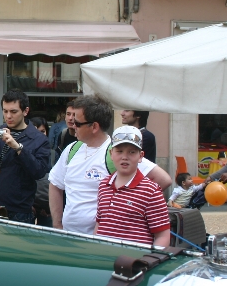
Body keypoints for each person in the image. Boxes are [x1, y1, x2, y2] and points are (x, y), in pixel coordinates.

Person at [48, 94, 172, 235]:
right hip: (69, 236)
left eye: (77, 123)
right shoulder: (71, 149)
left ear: (94, 126)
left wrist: (129, 208)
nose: (72, 124)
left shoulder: (117, 152)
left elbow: (163, 180)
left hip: (103, 240)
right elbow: (55, 184)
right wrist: (57, 225)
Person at [0, 90, 50, 223]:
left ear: (25, 111)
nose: (8, 116)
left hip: (18, 210)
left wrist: (18, 148)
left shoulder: (39, 139)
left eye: (13, 112)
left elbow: (39, 171)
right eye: (5, 111)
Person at [94, 126, 171, 246]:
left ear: (141, 156)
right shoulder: (103, 185)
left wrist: (148, 261)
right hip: (103, 259)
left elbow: (162, 236)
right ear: (111, 154)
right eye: (119, 151)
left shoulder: (151, 191)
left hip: (134, 261)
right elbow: (99, 224)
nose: (125, 157)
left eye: (132, 152)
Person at [30, 116, 53, 227]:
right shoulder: (22, 152)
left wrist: (51, 208)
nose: (40, 135)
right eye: (36, 131)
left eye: (43, 131)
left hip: (47, 207)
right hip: (28, 205)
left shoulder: (53, 153)